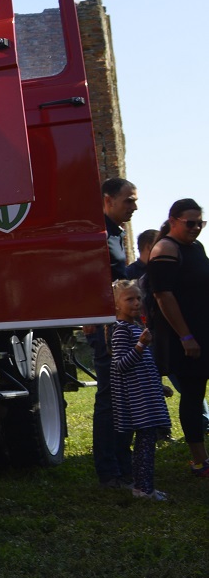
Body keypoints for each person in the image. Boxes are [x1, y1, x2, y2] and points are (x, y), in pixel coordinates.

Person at [148, 198, 209, 477]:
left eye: (201, 222)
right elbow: (163, 295)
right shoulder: (165, 249)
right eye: (190, 223)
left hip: (204, 330)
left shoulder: (196, 247)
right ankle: (199, 460)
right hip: (186, 338)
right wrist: (186, 337)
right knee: (194, 395)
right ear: (173, 220)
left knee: (198, 394)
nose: (196, 228)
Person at [88, 177, 138, 487]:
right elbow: (89, 279)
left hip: (121, 325)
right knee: (110, 399)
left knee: (124, 398)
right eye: (128, 200)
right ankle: (108, 470)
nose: (134, 206)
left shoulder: (116, 234)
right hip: (107, 330)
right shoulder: (98, 235)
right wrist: (93, 318)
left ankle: (123, 463)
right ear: (108, 200)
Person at [110, 279, 171, 499]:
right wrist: (140, 345)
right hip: (138, 403)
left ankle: (141, 486)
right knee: (145, 445)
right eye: (130, 299)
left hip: (146, 396)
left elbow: (143, 366)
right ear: (116, 304)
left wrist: (158, 386)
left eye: (138, 298)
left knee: (147, 444)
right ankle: (144, 489)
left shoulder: (134, 328)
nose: (136, 303)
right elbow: (120, 365)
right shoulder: (121, 332)